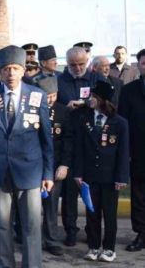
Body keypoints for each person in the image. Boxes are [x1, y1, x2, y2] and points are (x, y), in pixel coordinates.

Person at [0, 45, 54, 268]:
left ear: (23, 70)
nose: (10, 73)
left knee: (31, 225)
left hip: (30, 171)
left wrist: (48, 173)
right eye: (6, 69)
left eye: (15, 68)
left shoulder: (37, 96)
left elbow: (46, 139)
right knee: (2, 226)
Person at [73, 80, 129, 263]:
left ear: (104, 100)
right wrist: (78, 173)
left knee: (110, 215)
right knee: (92, 213)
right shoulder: (85, 119)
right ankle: (94, 246)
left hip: (110, 177)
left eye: (94, 97)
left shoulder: (120, 123)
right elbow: (79, 149)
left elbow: (123, 152)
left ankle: (109, 248)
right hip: (90, 176)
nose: (90, 100)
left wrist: (121, 177)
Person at [57, 46, 105, 246]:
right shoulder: (60, 80)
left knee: (92, 191)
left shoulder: (97, 79)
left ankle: (92, 231)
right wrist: (65, 107)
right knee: (69, 192)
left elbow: (107, 103)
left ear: (88, 62)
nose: (77, 68)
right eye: (72, 65)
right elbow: (52, 105)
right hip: (69, 140)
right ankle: (70, 229)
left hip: (92, 142)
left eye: (81, 64)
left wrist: (86, 104)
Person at [35, 76, 73, 256]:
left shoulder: (63, 111)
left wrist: (64, 164)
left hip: (55, 165)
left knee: (51, 204)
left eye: (53, 96)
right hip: (33, 164)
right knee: (30, 205)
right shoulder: (31, 109)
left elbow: (68, 141)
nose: (49, 100)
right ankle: (30, 238)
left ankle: (51, 239)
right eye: (46, 96)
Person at [118, 48, 145, 252]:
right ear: (138, 66)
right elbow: (123, 123)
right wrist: (125, 152)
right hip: (138, 152)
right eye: (144, 63)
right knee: (139, 195)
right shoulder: (129, 90)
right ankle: (141, 233)